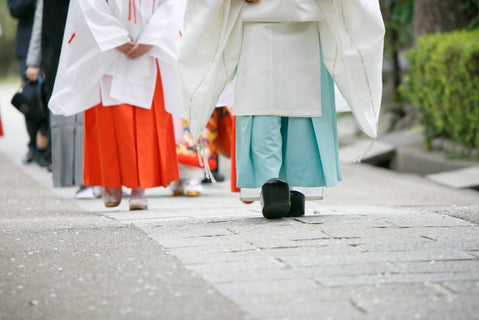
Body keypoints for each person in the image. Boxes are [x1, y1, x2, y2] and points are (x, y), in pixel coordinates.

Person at [178, 0, 385, 219]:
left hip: (304, 21)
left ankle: (294, 187)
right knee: (261, 105)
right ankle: (272, 184)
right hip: (258, 21)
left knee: (300, 106)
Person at [49, 0, 185, 210]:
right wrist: (115, 38)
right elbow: (89, 5)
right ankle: (110, 182)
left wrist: (151, 38)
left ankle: (140, 186)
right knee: (110, 121)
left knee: (144, 122)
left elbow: (172, 5)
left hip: (150, 50)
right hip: (108, 51)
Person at [25, 0, 100, 199]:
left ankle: (101, 177)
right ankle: (81, 180)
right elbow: (40, 20)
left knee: (93, 116)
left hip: (93, 50)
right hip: (57, 51)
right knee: (66, 116)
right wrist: (33, 61)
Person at [8, 0, 50, 166]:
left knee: (48, 97)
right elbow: (14, 10)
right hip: (26, 48)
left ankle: (47, 147)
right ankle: (33, 145)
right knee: (30, 98)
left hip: (49, 43)